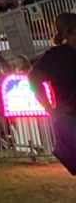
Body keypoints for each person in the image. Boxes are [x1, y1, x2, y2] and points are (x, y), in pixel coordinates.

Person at [29, 12, 76, 175]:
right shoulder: (58, 56)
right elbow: (33, 78)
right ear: (69, 33)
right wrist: (50, 109)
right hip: (70, 118)